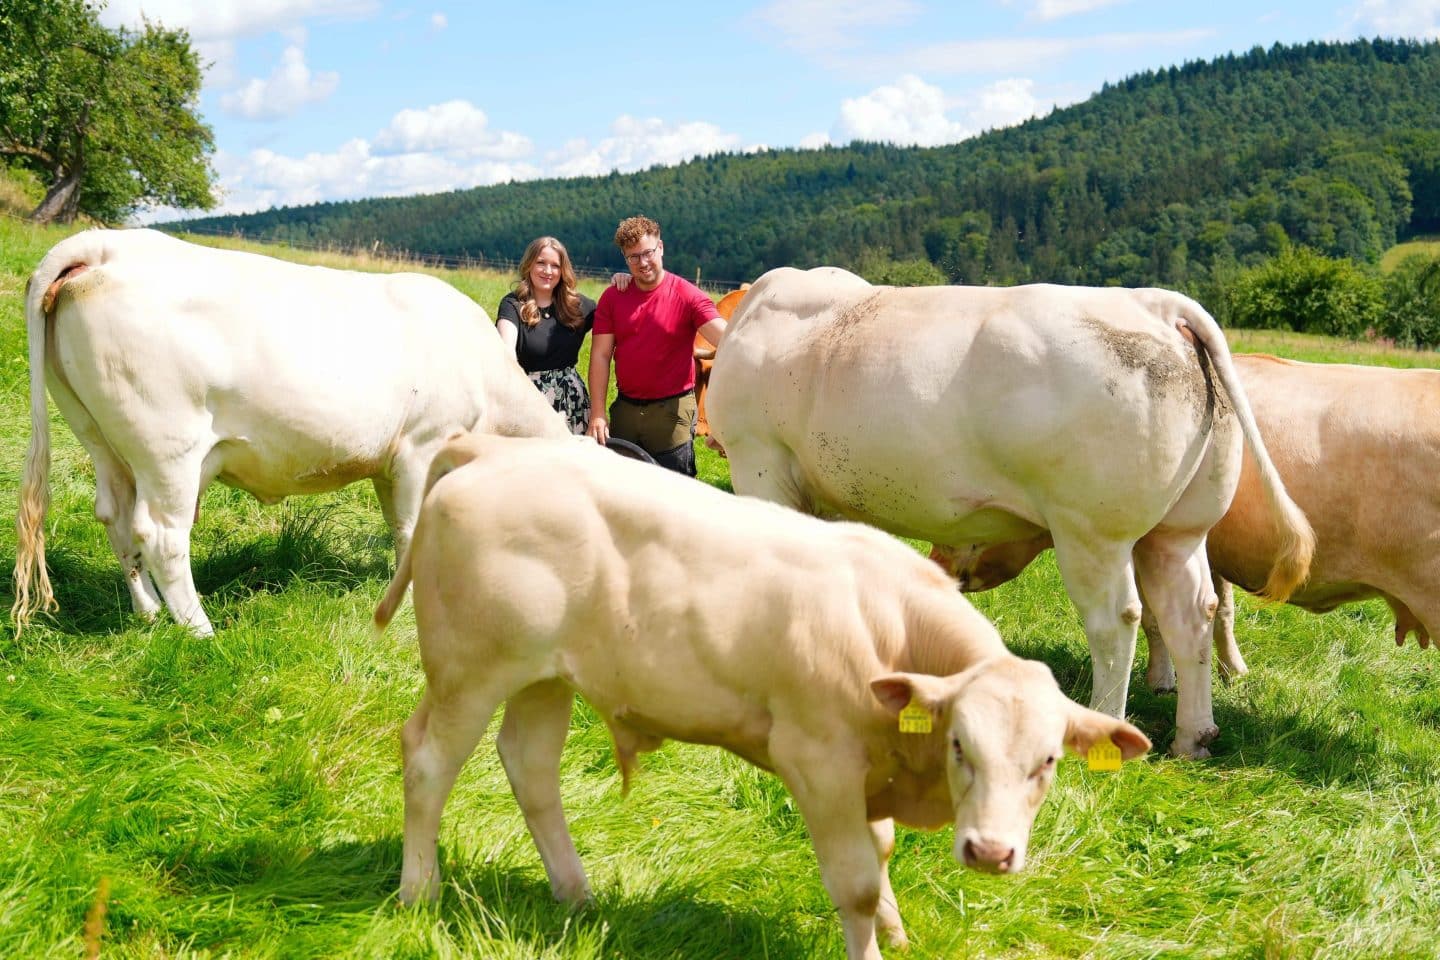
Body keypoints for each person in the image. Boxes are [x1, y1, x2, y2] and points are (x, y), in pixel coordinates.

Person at [586, 216, 727, 475]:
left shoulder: (687, 295)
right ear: (625, 258)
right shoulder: (613, 297)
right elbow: (601, 355)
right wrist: (597, 413)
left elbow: (728, 341)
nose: (643, 262)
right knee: (623, 488)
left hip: (672, 413)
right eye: (633, 257)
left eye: (648, 253)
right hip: (626, 410)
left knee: (675, 489)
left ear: (660, 247)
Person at [495, 236, 601, 435]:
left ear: (563, 271)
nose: (548, 271)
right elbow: (506, 354)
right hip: (527, 403)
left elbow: (613, 318)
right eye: (541, 263)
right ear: (529, 265)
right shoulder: (513, 305)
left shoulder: (577, 305)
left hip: (572, 404)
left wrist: (625, 281)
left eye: (555, 265)